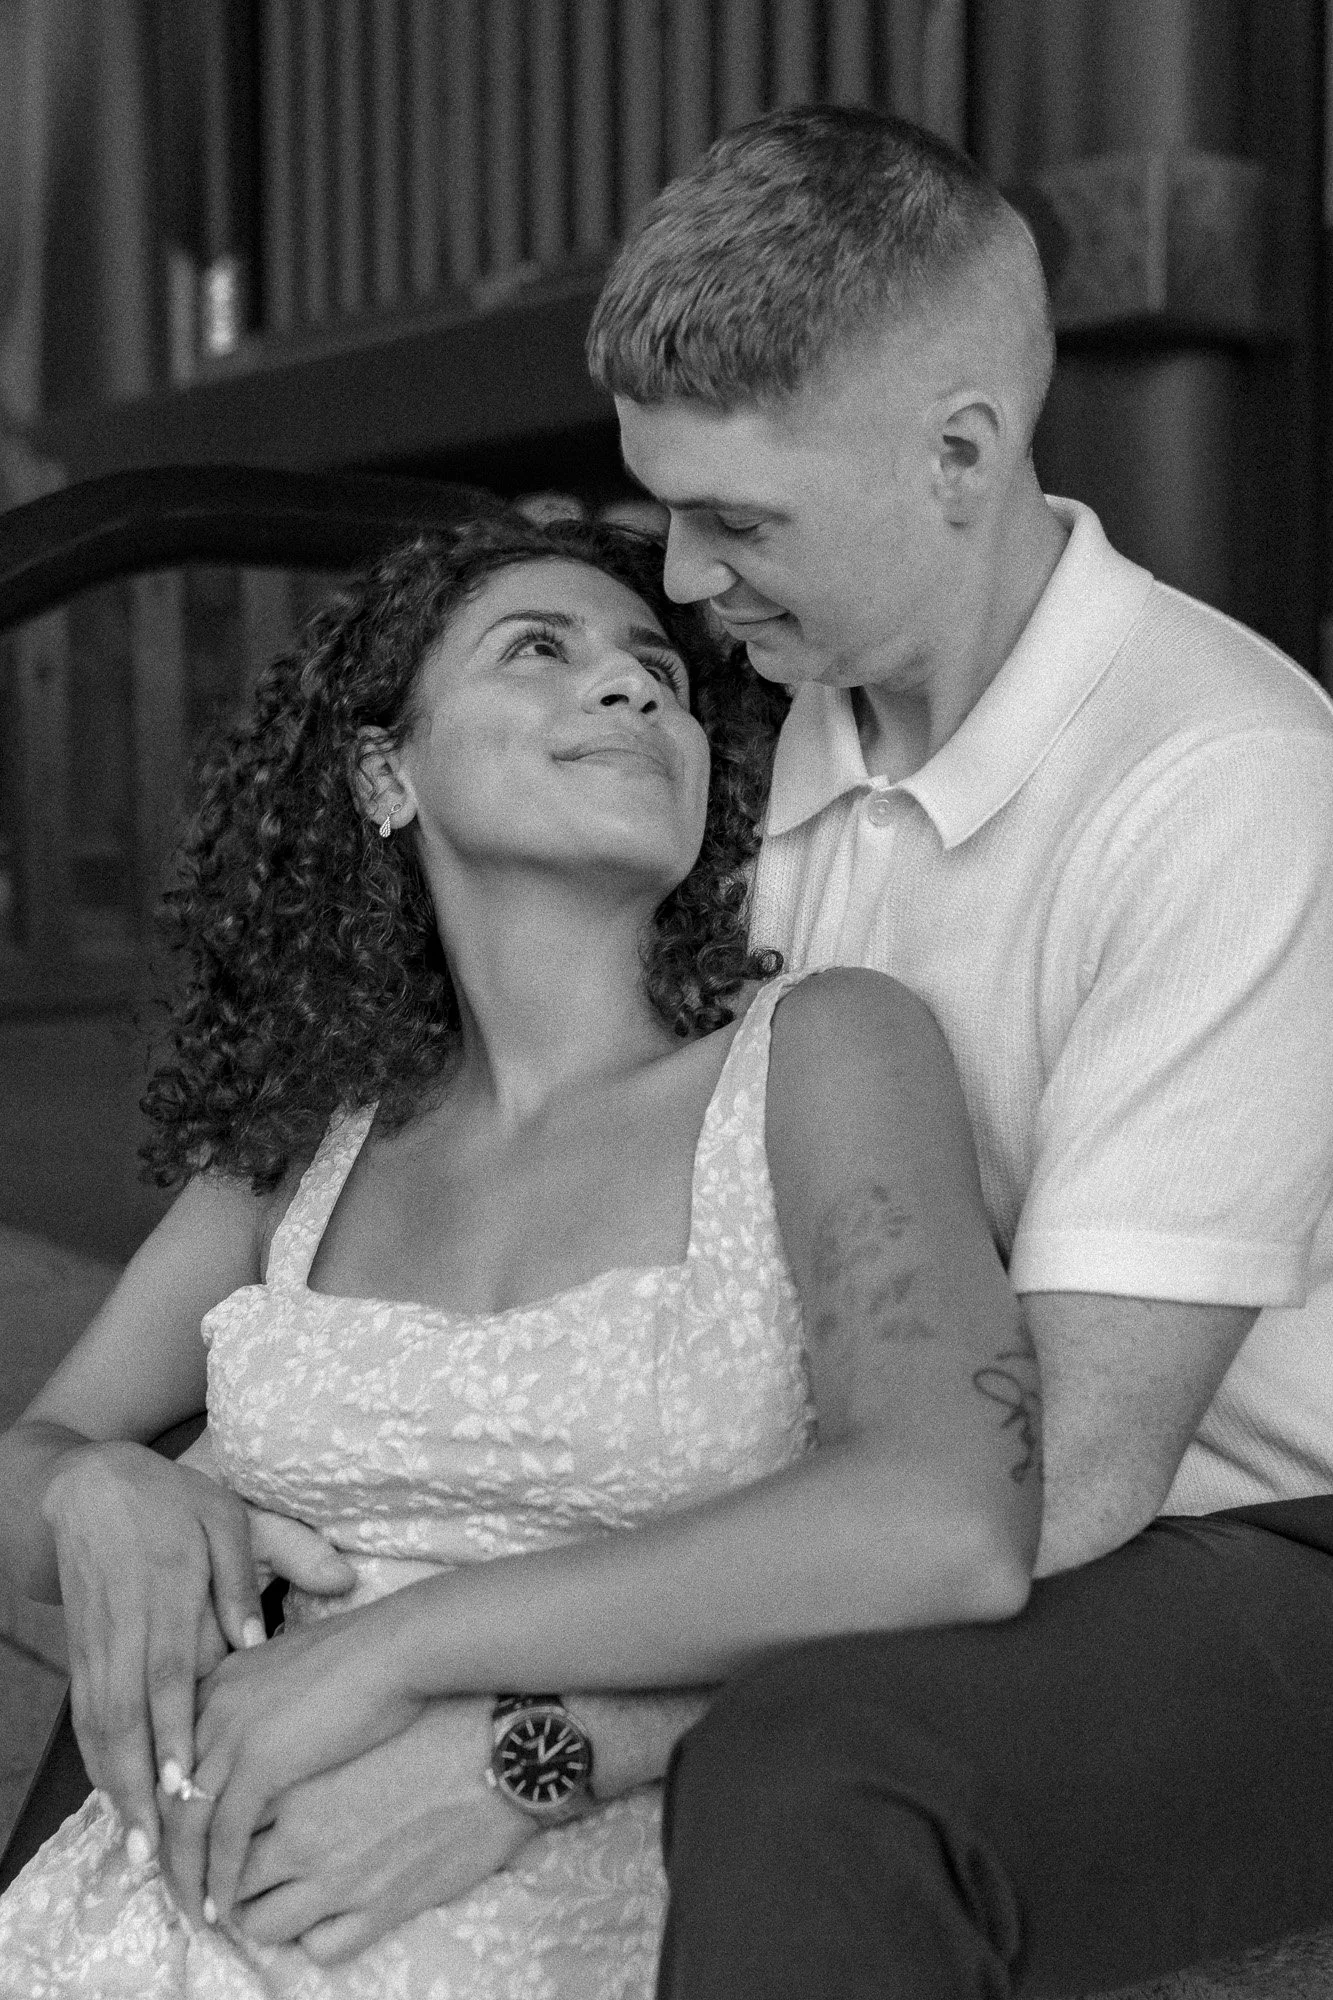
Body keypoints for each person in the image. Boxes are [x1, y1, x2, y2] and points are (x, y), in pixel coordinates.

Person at [0, 511, 1040, 1996]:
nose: (630, 691)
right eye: (538, 651)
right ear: (383, 775)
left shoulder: (823, 1053)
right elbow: (27, 1466)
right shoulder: (309, 1138)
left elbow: (951, 1517)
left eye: (658, 679)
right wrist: (98, 1490)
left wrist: (393, 1651)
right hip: (148, 1920)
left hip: (582, 1906)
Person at [578, 106, 1333, 1997]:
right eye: (664, 509)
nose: (676, 585)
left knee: (824, 1774)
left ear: (961, 457)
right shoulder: (747, 734)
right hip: (864, 1471)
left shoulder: (1226, 783)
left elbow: (1067, 1475)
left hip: (1249, 1531)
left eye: (740, 521)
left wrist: (537, 1732)